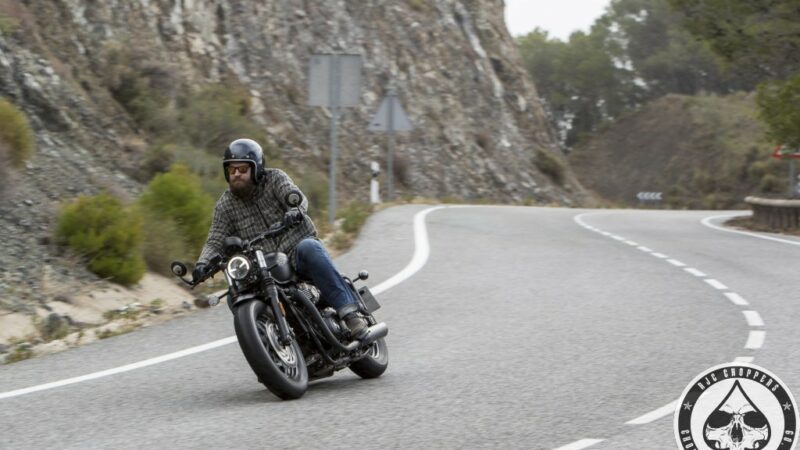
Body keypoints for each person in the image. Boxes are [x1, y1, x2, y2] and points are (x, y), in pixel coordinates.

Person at [193, 138, 368, 337]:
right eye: (232, 170)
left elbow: (296, 197)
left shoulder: (275, 178)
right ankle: (270, 341)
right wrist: (202, 263)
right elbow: (215, 239)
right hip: (263, 265)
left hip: (295, 249)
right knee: (235, 296)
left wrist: (294, 209)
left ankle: (351, 314)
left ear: (256, 168)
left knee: (310, 248)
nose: (236, 174)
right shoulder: (225, 205)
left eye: (242, 169)